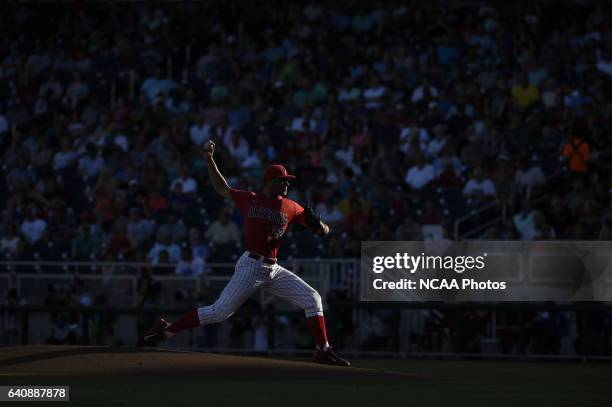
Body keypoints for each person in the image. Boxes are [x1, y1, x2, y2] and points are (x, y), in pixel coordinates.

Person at [139, 140, 350, 367]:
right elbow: (221, 188)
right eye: (283, 181)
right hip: (251, 265)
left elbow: (319, 227)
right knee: (219, 312)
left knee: (313, 299)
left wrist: (322, 227)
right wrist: (209, 158)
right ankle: (166, 330)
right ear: (270, 182)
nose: (287, 184)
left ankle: (323, 350)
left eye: (288, 181)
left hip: (273, 268)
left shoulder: (291, 206)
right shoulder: (250, 199)